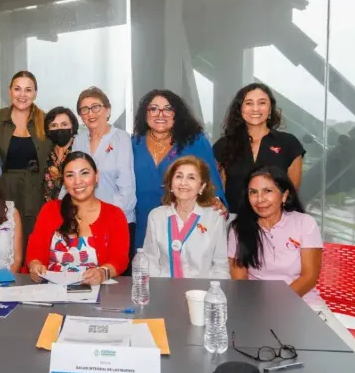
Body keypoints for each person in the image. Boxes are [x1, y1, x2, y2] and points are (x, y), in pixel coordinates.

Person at [228, 166, 355, 349]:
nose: (260, 199)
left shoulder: (304, 223)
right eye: (253, 192)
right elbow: (240, 280)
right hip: (258, 309)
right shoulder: (238, 229)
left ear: (285, 195)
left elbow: (309, 277)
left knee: (346, 355)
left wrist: (278, 305)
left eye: (268, 191)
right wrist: (260, 309)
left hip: (305, 304)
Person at [132, 89, 227, 259]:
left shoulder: (194, 141)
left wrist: (217, 200)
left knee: (185, 267)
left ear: (177, 114)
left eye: (168, 109)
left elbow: (211, 177)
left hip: (184, 216)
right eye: (153, 109)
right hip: (142, 219)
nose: (160, 114)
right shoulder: (133, 143)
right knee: (146, 267)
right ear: (145, 114)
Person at [26, 152, 129, 284]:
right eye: (70, 175)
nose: (77, 181)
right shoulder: (50, 210)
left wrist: (103, 273)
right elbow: (35, 250)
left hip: (96, 291)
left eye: (84, 173)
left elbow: (119, 260)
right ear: (64, 181)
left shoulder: (114, 215)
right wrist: (35, 265)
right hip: (51, 291)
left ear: (96, 176)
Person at [214, 82, 305, 214]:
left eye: (262, 103)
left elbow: (291, 191)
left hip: (276, 223)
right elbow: (216, 187)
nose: (255, 109)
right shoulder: (224, 145)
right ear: (240, 109)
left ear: (270, 109)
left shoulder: (289, 143)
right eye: (249, 103)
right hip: (234, 223)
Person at [70, 87, 136, 260]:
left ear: (108, 110)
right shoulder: (79, 140)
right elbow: (70, 179)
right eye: (85, 109)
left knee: (115, 279)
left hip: (117, 220)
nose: (91, 113)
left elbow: (127, 190)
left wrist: (103, 218)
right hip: (83, 222)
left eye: (96, 107)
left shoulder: (121, 138)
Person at [0, 70, 52, 253]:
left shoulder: (46, 121)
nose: (22, 95)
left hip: (36, 194)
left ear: (35, 93)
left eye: (28, 90)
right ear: (10, 91)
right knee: (4, 243)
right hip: (3, 191)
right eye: (17, 89)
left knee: (33, 244)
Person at [143, 156, 229, 279]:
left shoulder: (214, 217)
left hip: (202, 292)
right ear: (171, 184)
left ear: (201, 187)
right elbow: (150, 262)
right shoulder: (156, 216)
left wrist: (214, 294)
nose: (183, 183)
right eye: (178, 176)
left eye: (191, 178)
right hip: (165, 290)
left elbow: (220, 266)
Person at [43, 106, 79, 202]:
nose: (59, 129)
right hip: (49, 211)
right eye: (54, 125)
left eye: (64, 124)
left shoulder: (80, 151)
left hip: (75, 210)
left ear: (72, 127)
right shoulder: (44, 152)